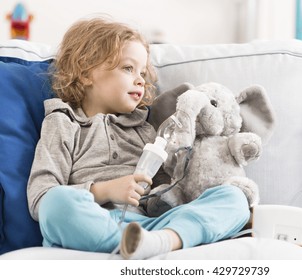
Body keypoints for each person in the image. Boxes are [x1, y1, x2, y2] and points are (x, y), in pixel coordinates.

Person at [27, 17, 250, 259]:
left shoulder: (145, 130)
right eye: (127, 68)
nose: (140, 79)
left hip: (149, 227)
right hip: (90, 223)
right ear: (85, 73)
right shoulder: (63, 122)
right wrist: (106, 190)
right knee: (56, 203)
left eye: (142, 72)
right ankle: (136, 243)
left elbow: (168, 190)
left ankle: (161, 241)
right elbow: (40, 196)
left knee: (234, 197)